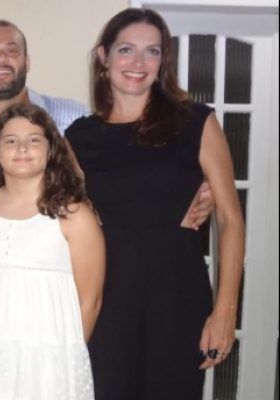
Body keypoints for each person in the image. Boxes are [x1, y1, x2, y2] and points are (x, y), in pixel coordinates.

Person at [0, 19, 213, 337]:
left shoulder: (73, 119)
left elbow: (131, 172)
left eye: (12, 50)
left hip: (59, 297)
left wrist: (196, 187)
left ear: (27, 60)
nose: (1, 59)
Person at [65, 8, 245, 399]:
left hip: (177, 297)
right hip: (106, 301)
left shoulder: (196, 122)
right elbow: (61, 217)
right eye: (126, 49)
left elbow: (231, 219)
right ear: (103, 57)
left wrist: (226, 309)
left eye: (153, 52)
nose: (138, 63)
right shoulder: (79, 136)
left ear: (164, 61)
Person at [0, 104, 104, 399]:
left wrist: (64, 356)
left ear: (51, 150)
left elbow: (90, 301)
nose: (22, 147)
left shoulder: (75, 217)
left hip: (51, 358)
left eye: (34, 139)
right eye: (10, 140)